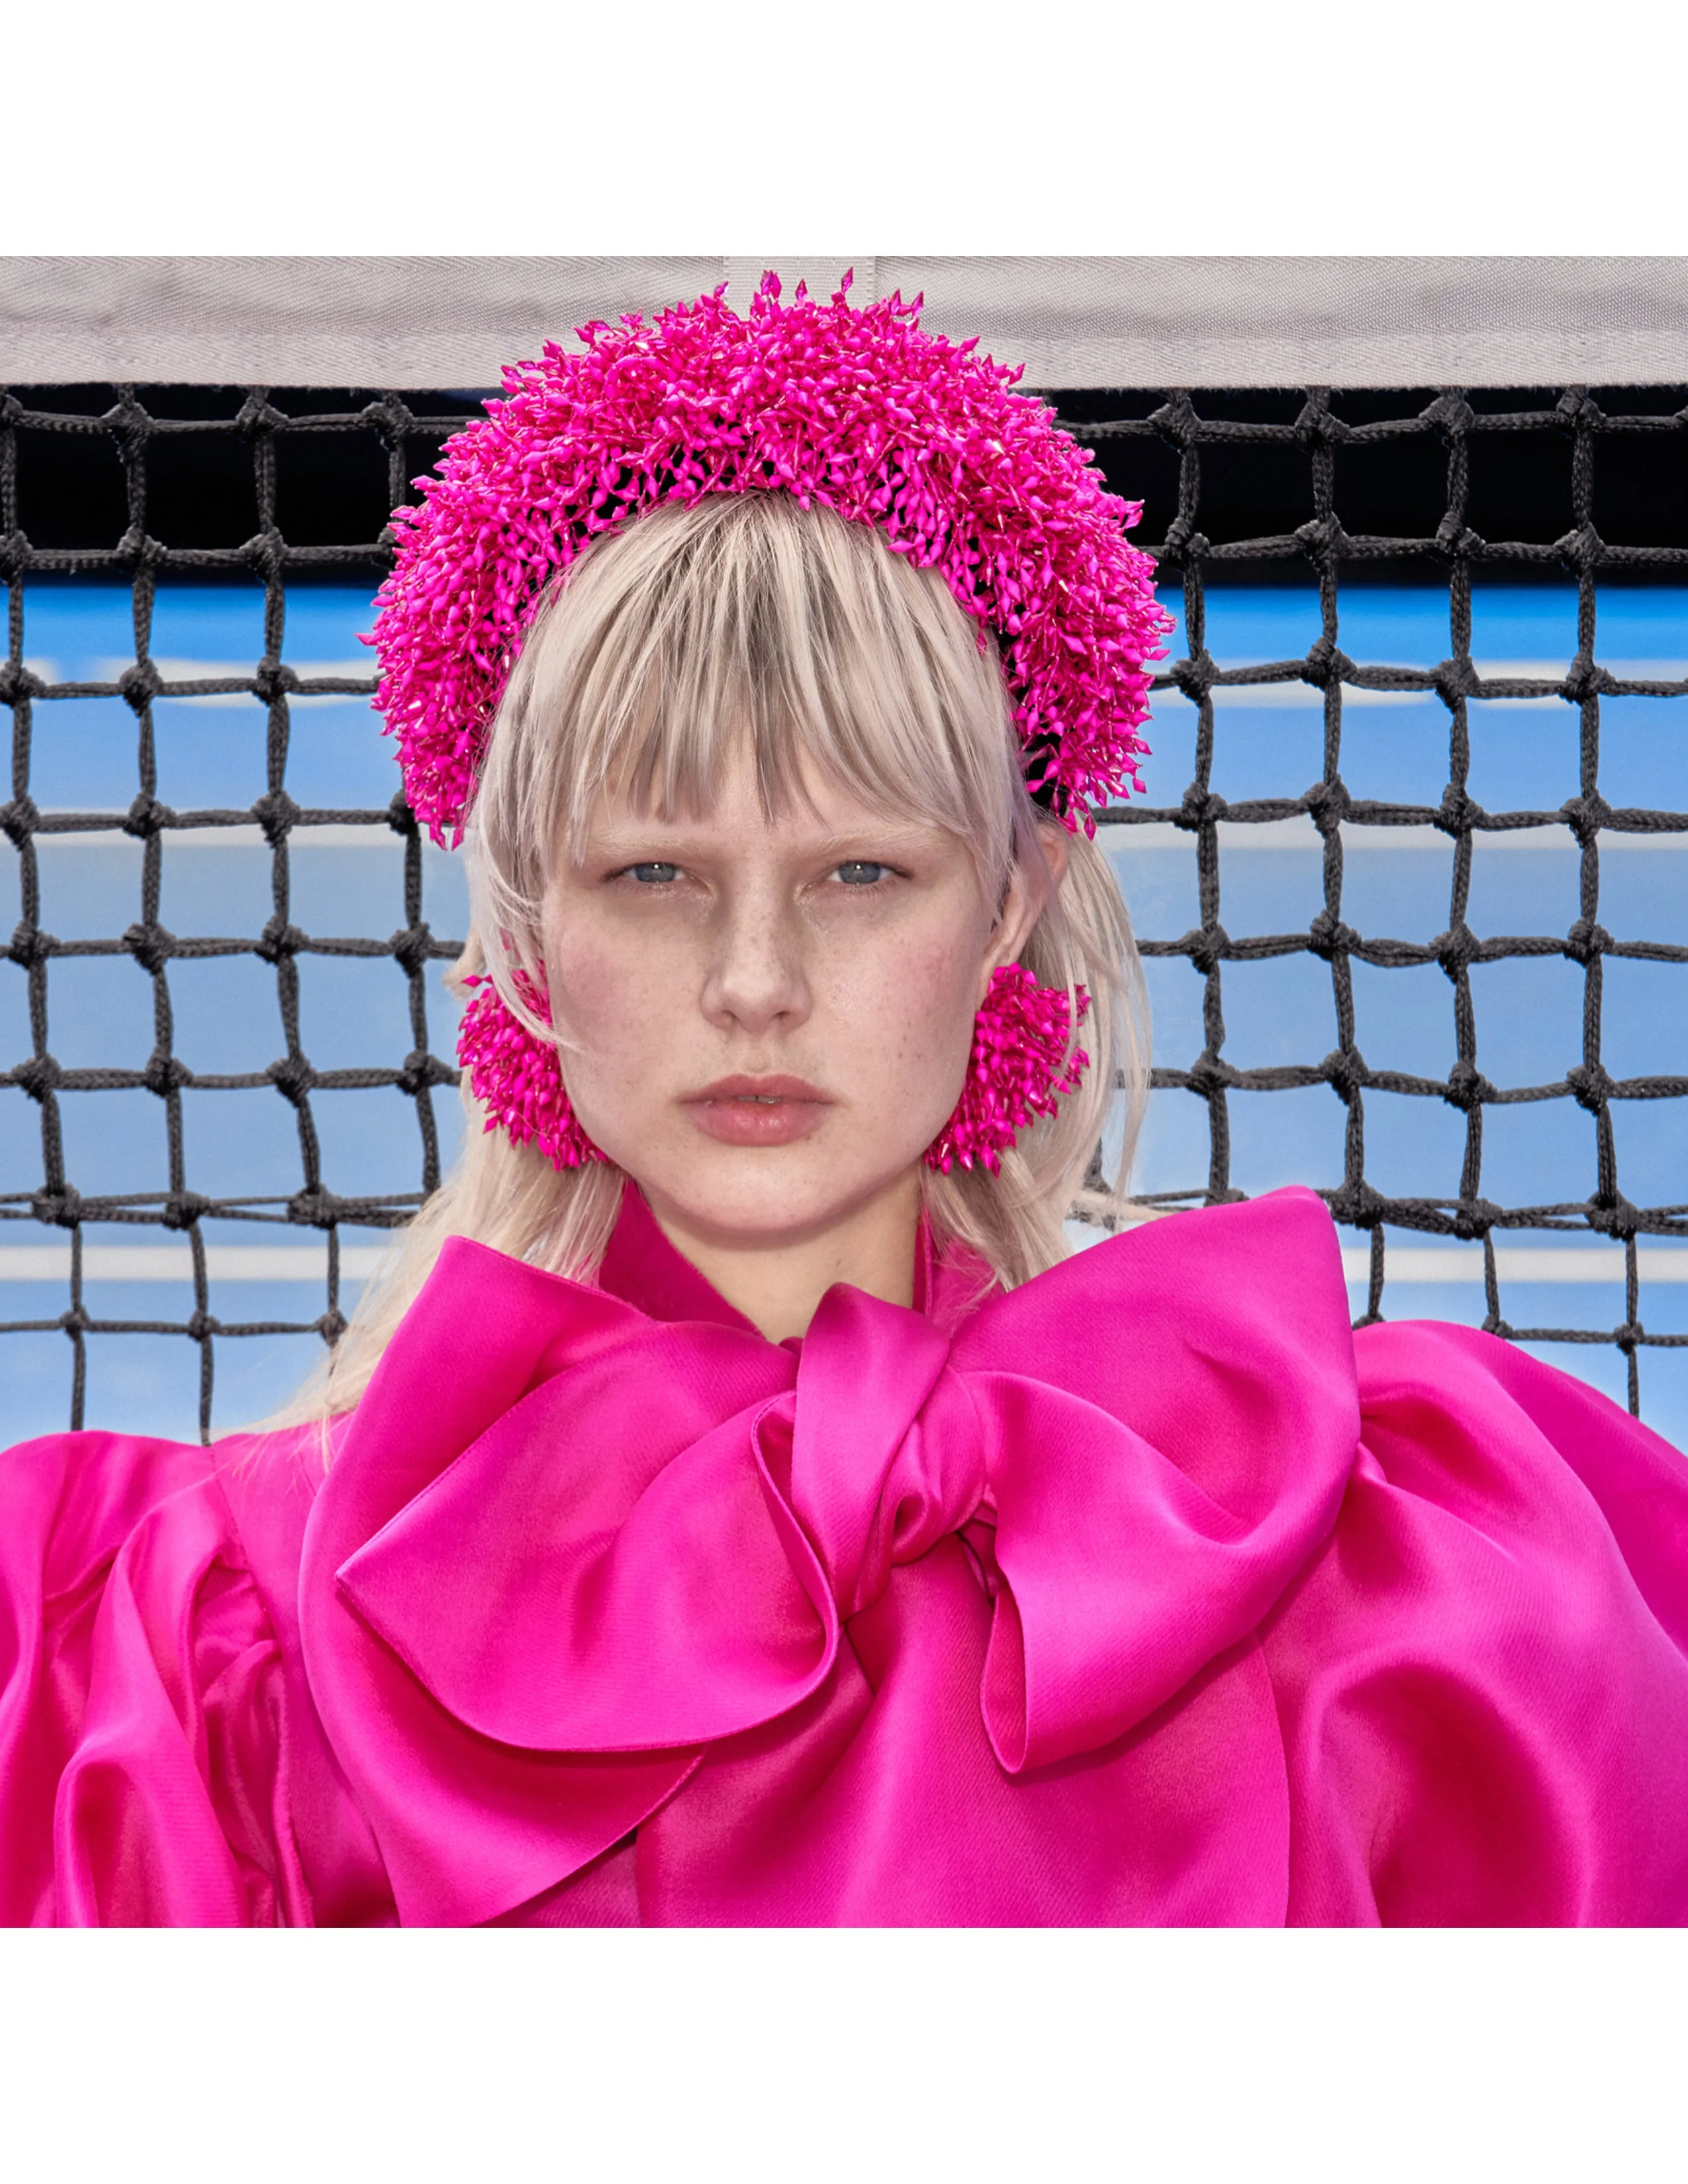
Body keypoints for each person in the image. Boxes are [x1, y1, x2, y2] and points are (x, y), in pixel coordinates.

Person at [4, 278, 1687, 1928]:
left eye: (863, 872)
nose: (755, 981)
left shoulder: (1411, 1571)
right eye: (653, 871)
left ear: (1017, 897)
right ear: (523, 920)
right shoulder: (191, 1660)